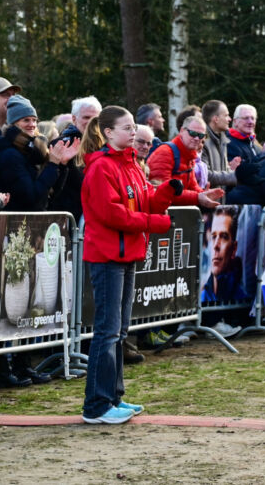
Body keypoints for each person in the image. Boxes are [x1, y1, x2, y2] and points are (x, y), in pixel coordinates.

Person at [79, 105, 184, 424]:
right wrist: (155, 221)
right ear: (108, 132)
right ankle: (96, 405)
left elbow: (143, 199)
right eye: (127, 128)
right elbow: (112, 214)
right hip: (108, 255)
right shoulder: (101, 168)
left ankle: (113, 397)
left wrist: (166, 192)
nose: (134, 132)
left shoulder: (132, 165)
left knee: (119, 330)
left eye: (134, 126)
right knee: (108, 331)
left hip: (127, 254)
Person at [0, 95, 78, 212]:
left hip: (29, 222)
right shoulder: (9, 155)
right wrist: (52, 165)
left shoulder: (34, 150)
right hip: (14, 225)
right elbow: (31, 198)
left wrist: (61, 164)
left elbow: (49, 194)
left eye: (34, 120)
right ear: (13, 123)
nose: (32, 124)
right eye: (26, 120)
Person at [146, 116, 224, 210]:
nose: (196, 138)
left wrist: (204, 194)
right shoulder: (165, 153)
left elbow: (193, 186)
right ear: (182, 131)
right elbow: (162, 192)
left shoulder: (189, 155)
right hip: (163, 212)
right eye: (192, 133)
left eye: (200, 136)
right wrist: (198, 197)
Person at [200, 100, 240, 190]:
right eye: (226, 115)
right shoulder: (202, 142)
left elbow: (223, 172)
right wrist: (236, 176)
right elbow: (205, 175)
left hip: (218, 202)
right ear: (216, 119)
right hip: (205, 202)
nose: (229, 119)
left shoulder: (223, 142)